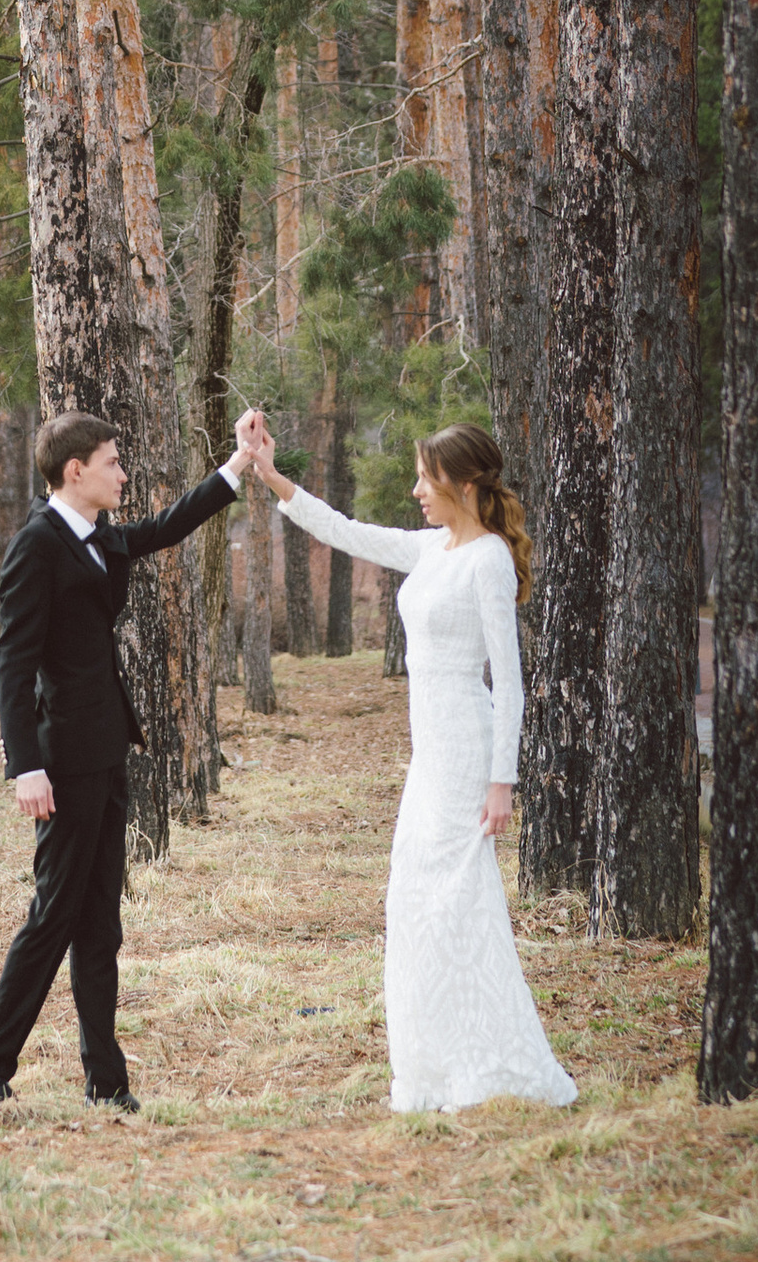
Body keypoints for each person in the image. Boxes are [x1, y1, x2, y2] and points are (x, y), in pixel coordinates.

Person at [240, 415, 576, 1114]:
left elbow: (508, 681)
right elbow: (348, 531)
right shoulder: (433, 548)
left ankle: (489, 1063)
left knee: (457, 902)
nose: (417, 488)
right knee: (416, 903)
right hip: (430, 755)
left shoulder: (486, 558)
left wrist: (501, 781)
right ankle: (434, 1067)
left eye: (427, 476)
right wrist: (271, 476)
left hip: (466, 750)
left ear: (461, 481)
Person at [0, 408, 261, 1114]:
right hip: (61, 760)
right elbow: (12, 659)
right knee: (53, 913)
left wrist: (238, 464)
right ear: (75, 471)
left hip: (105, 752)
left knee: (99, 921)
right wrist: (22, 763)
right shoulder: (37, 545)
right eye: (113, 462)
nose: (122, 473)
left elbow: (167, 527)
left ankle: (106, 1079)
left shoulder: (96, 537)